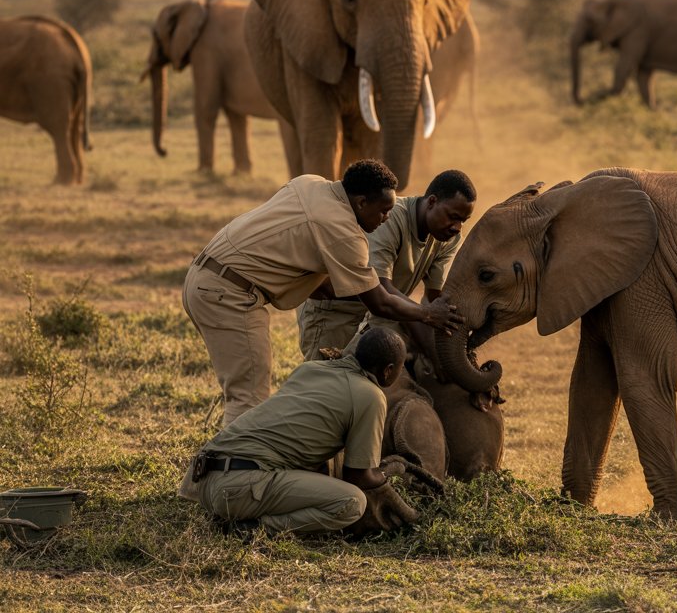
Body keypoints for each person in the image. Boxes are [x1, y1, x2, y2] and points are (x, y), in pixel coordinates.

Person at [182, 159, 463, 425]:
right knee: (249, 397)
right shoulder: (343, 232)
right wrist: (426, 313)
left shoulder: (309, 183)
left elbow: (314, 269)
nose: (385, 218)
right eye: (382, 211)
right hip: (231, 294)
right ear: (361, 201)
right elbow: (381, 303)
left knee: (251, 390)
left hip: (204, 276)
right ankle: (235, 473)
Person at [177, 327, 420, 536]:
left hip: (204, 483)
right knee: (352, 502)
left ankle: (239, 512)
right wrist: (390, 471)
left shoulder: (311, 369)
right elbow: (358, 477)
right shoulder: (371, 395)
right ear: (388, 370)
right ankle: (255, 529)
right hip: (237, 490)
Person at [297, 169, 476, 362]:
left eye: (463, 221)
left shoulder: (451, 239)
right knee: (325, 381)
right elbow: (382, 290)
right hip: (335, 310)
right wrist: (428, 324)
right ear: (432, 202)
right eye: (452, 216)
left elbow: (436, 300)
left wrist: (445, 352)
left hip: (383, 313)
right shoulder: (388, 216)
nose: (457, 227)